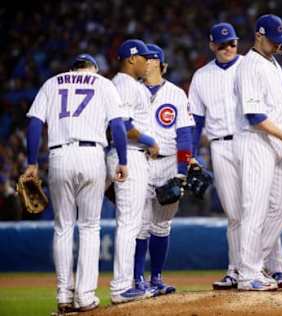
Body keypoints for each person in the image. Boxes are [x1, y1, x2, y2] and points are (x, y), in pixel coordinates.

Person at [22, 54, 128, 313]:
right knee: (90, 227)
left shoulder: (52, 83)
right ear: (93, 69)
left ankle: (63, 296)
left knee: (63, 227)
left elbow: (35, 123)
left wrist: (32, 162)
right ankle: (85, 296)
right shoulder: (103, 83)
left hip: (59, 155)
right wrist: (122, 160)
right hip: (92, 155)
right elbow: (117, 125)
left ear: (72, 69)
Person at [189, 22, 282, 290]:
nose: (227, 48)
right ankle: (238, 269)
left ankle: (272, 264)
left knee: (264, 205)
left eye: (231, 42)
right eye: (221, 44)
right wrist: (191, 155)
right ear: (212, 45)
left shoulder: (254, 64)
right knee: (237, 212)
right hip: (223, 144)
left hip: (257, 137)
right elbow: (196, 120)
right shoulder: (202, 76)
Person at [233, 14, 282, 291]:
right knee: (254, 208)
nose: (278, 44)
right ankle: (248, 274)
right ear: (259, 35)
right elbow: (254, 115)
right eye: (273, 39)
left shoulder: (273, 63)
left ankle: (254, 262)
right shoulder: (249, 65)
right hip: (256, 140)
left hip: (278, 142)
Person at [133, 43, 194, 296]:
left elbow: (185, 135)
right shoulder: (131, 91)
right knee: (139, 225)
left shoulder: (177, 93)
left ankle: (156, 277)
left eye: (145, 59)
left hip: (169, 162)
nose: (140, 63)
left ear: (156, 62)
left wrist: (182, 171)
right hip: (140, 161)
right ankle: (136, 279)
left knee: (162, 225)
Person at [106, 39, 160, 304]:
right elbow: (123, 124)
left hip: (134, 157)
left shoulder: (129, 85)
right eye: (144, 58)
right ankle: (120, 287)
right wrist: (149, 141)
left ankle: (126, 284)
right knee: (128, 223)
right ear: (131, 59)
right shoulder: (124, 84)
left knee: (133, 223)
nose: (147, 62)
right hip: (128, 155)